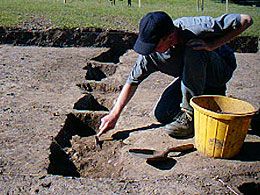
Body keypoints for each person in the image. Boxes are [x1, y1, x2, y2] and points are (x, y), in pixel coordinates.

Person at [97, 11, 253, 138]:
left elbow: (246, 19)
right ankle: (206, 102)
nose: (150, 51)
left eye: (155, 46)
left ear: (170, 37)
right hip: (193, 79)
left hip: (218, 72)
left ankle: (189, 116)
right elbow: (132, 81)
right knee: (162, 113)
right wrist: (114, 115)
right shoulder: (150, 55)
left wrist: (212, 45)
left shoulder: (196, 28)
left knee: (194, 48)